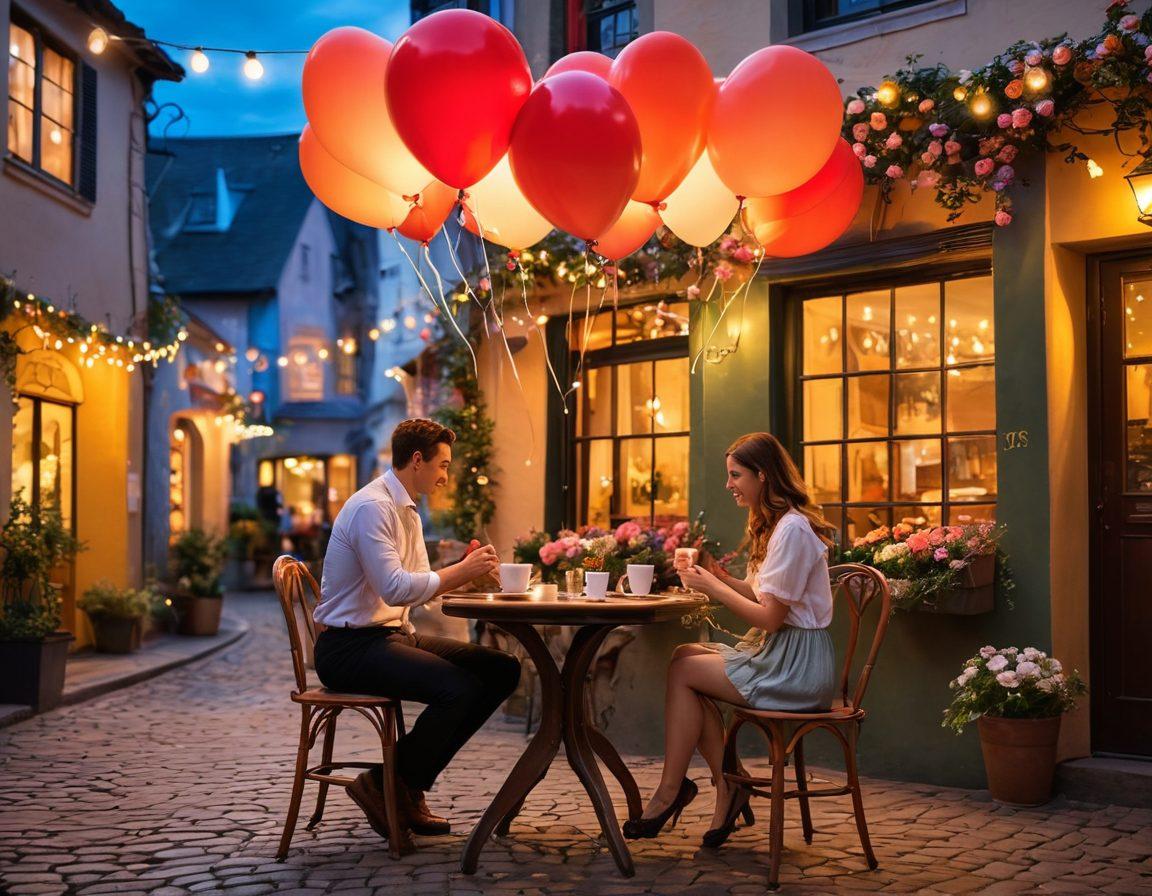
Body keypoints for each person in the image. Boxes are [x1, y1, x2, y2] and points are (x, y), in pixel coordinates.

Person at [313, 418, 521, 848]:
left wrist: (467, 577)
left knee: (501, 669)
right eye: (442, 465)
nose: (445, 475)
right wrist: (460, 571)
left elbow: (419, 584)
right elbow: (394, 586)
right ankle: (389, 785)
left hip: (389, 635)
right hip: (348, 648)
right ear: (417, 460)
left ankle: (399, 785)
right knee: (458, 688)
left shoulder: (405, 506)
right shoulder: (374, 507)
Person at [623, 432, 836, 848]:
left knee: (685, 670)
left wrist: (712, 588)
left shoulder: (792, 529)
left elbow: (771, 619)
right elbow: (761, 595)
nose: (729, 485)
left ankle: (675, 792)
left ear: (762, 475)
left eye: (735, 475)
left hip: (798, 666)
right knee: (686, 656)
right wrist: (714, 574)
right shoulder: (778, 525)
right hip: (783, 654)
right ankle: (728, 786)